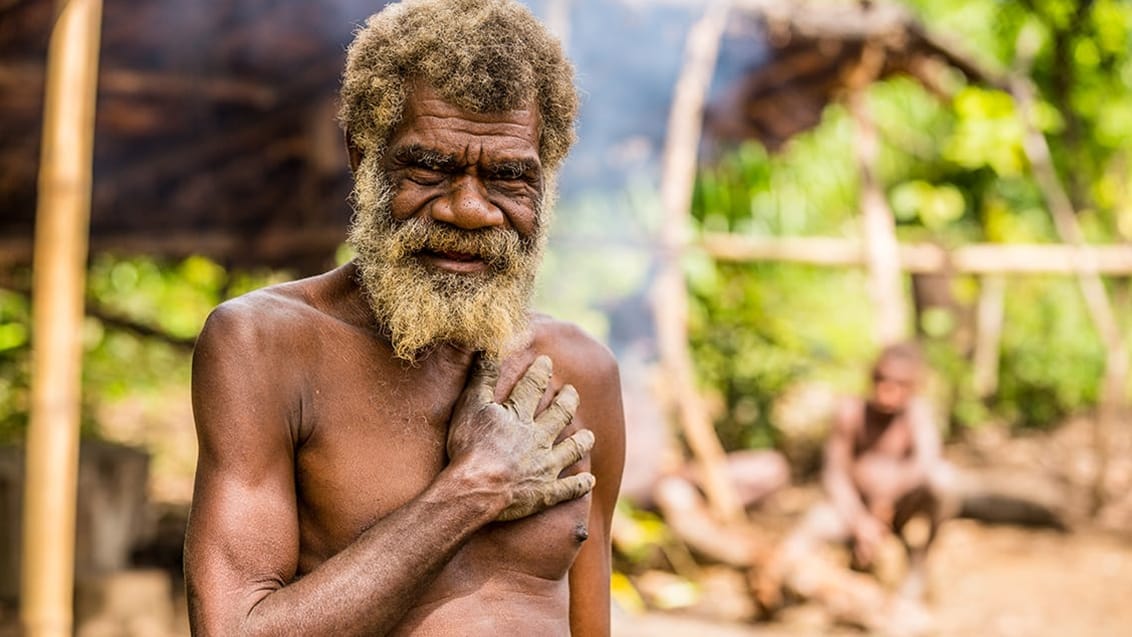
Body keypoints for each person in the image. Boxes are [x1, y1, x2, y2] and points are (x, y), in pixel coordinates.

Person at [183, 2, 626, 635]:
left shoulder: (583, 371)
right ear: (363, 156)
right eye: (430, 168)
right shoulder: (265, 346)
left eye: (508, 177)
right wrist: (472, 488)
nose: (470, 210)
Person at [758, 343, 955, 630]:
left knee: (944, 481)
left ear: (913, 386)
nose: (887, 390)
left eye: (898, 384)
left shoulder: (917, 415)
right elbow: (834, 474)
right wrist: (861, 521)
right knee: (813, 524)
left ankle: (918, 565)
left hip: (899, 510)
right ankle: (775, 585)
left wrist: (885, 501)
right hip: (851, 509)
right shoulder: (851, 412)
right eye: (881, 380)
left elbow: (926, 463)